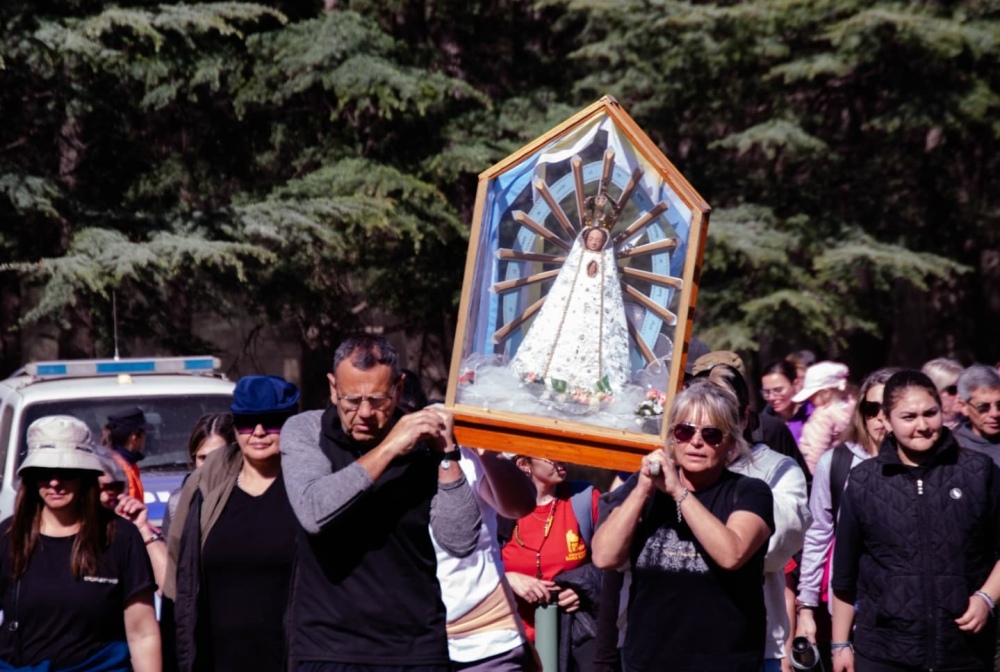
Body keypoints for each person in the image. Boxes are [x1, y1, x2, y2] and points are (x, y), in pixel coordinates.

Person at [279, 335, 483, 672]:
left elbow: (460, 540)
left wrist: (446, 454)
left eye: (377, 400)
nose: (365, 413)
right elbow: (314, 511)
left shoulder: (421, 438)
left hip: (415, 648)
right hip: (329, 648)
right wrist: (390, 448)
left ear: (399, 390)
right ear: (332, 388)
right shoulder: (304, 430)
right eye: (351, 400)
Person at [593, 382, 774, 672]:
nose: (696, 442)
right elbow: (604, 556)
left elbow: (732, 554)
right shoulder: (644, 492)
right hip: (647, 663)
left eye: (711, 434)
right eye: (685, 431)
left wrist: (679, 493)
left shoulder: (750, 492)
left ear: (730, 443)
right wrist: (641, 490)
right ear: (672, 439)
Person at [831, 370, 1000, 672]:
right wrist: (840, 644)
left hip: (964, 651)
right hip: (884, 651)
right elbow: (845, 574)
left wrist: (987, 597)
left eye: (930, 413)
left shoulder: (979, 471)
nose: (922, 426)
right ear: (886, 419)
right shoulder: (864, 480)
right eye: (908, 417)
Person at [399, 368, 539, 670]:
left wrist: (480, 446)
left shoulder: (463, 452)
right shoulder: (372, 459)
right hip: (408, 642)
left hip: (485, 640)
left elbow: (520, 506)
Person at [163, 375, 300, 672]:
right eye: (248, 422)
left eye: (272, 421)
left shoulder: (309, 487)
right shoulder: (205, 487)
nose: (259, 432)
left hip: (293, 659)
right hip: (216, 660)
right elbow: (178, 583)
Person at [0, 415, 160, 671]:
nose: (54, 482)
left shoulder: (121, 537)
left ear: (86, 475)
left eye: (66, 472)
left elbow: (142, 633)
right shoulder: (8, 536)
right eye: (43, 472)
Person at [701, 365, 810, 672]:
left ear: (745, 418)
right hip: (676, 643)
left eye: (726, 415)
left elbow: (771, 552)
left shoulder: (779, 470)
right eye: (705, 416)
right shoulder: (673, 469)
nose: (715, 428)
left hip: (753, 645)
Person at [795, 367, 897, 670]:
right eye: (871, 408)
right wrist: (807, 607)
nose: (880, 417)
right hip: (849, 605)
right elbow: (817, 536)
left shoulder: (925, 467)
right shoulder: (836, 462)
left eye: (888, 408)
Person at [500, 455, 601, 671]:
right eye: (550, 454)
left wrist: (584, 587)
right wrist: (506, 578)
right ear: (524, 464)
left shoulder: (584, 499)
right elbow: (468, 567)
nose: (562, 458)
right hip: (508, 642)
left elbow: (614, 562)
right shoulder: (496, 504)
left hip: (569, 640)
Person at [510, 224, 631, 395]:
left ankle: (590, 387)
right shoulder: (576, 259)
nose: (595, 243)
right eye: (591, 239)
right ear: (584, 240)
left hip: (595, 314)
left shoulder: (607, 264)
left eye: (598, 240)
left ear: (604, 243)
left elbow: (609, 291)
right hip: (572, 310)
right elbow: (565, 285)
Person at [95, 450, 168, 594]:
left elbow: (170, 588)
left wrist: (143, 529)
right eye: (97, 489)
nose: (104, 498)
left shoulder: (130, 531)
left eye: (112, 488)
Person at [161, 412, 236, 538]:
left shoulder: (249, 497)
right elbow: (171, 555)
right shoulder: (177, 503)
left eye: (218, 457)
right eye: (203, 458)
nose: (209, 465)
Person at [792, 361, 855, 474]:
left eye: (812, 395)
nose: (809, 399)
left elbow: (816, 450)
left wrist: (809, 476)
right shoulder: (851, 407)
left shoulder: (822, 416)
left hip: (819, 471)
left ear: (826, 392)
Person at [103, 406, 154, 501]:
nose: (145, 439)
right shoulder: (119, 470)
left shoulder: (128, 464)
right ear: (134, 438)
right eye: (144, 434)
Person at [954, 364, 1000, 465]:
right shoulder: (954, 450)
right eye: (983, 407)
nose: (995, 413)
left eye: (999, 405)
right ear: (963, 407)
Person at [761, 359, 811, 446]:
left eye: (778, 390)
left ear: (795, 384)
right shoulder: (763, 425)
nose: (771, 397)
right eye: (767, 392)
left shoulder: (813, 415)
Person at [921, 357, 964, 429]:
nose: (960, 395)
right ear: (934, 393)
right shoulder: (923, 429)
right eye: (953, 390)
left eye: (963, 388)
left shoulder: (974, 423)